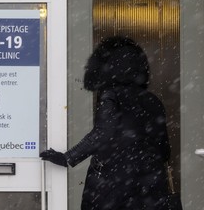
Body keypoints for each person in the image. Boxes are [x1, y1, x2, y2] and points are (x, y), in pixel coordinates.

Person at [40, 36, 171, 210]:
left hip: (115, 182)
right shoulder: (153, 101)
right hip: (150, 183)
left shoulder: (112, 95)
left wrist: (68, 157)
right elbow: (164, 150)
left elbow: (103, 133)